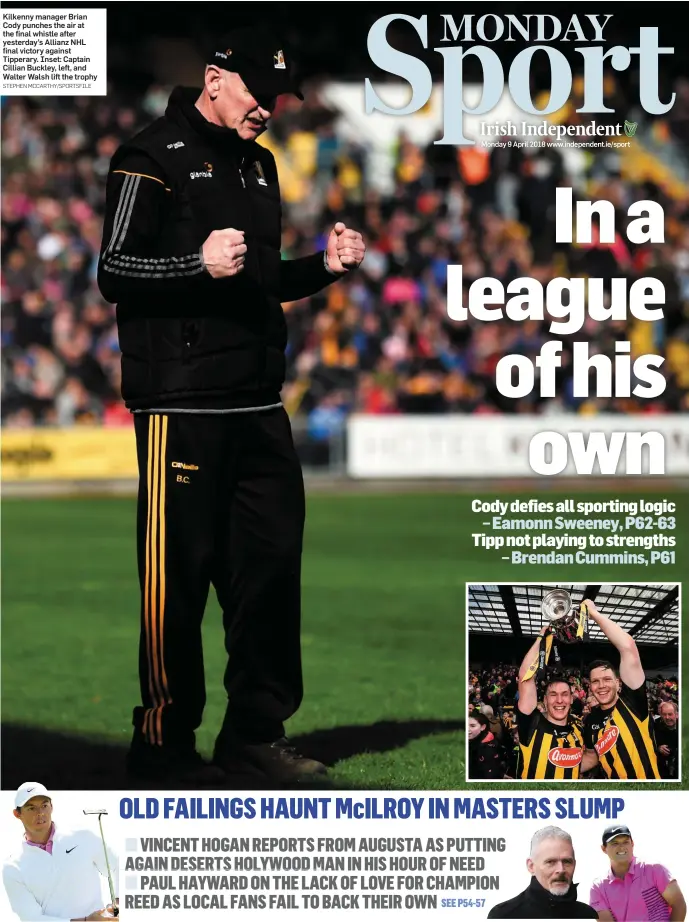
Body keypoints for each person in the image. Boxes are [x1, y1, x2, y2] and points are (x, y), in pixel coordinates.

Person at [97, 27, 365, 786]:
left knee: (270, 578)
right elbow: (114, 269)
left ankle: (252, 736)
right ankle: (161, 744)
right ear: (215, 79)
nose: (268, 110)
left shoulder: (259, 165)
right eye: (258, 93)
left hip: (258, 403)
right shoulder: (148, 156)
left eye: (278, 99)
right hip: (180, 406)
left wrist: (323, 267)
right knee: (176, 585)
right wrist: (196, 262)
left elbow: (258, 281)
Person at [2, 783, 118, 922]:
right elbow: (31, 918)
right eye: (31, 808)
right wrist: (86, 921)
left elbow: (119, 867)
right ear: (17, 814)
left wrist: (118, 902)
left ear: (52, 807)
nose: (40, 813)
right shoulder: (12, 867)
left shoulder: (83, 836)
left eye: (44, 806)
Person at [582, 600, 661, 780]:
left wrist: (593, 614)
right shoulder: (590, 720)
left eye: (607, 679)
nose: (601, 685)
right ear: (590, 687)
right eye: (595, 681)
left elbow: (628, 647)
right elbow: (592, 757)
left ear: (618, 683)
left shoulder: (632, 702)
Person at [515, 626, 587, 780]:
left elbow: (586, 759)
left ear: (572, 699)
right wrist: (543, 637)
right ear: (545, 701)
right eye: (553, 695)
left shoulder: (579, 729)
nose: (559, 700)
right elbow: (525, 677)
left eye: (564, 694)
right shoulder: (531, 724)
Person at [487, 826, 597, 918]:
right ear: (531, 866)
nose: (561, 870)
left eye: (567, 861)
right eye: (551, 862)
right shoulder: (503, 916)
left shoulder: (588, 915)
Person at [589, 824, 686, 921]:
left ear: (632, 844)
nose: (621, 847)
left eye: (626, 842)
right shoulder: (598, 887)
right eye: (615, 843)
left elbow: (679, 904)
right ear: (604, 849)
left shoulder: (654, 869)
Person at [467, 710, 506, 780]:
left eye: (472, 726)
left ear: (483, 727)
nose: (468, 730)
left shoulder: (487, 748)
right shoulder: (472, 741)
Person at [654, 701, 679, 779]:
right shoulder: (656, 726)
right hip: (663, 769)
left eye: (670, 714)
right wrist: (658, 748)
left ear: (677, 714)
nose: (667, 717)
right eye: (664, 715)